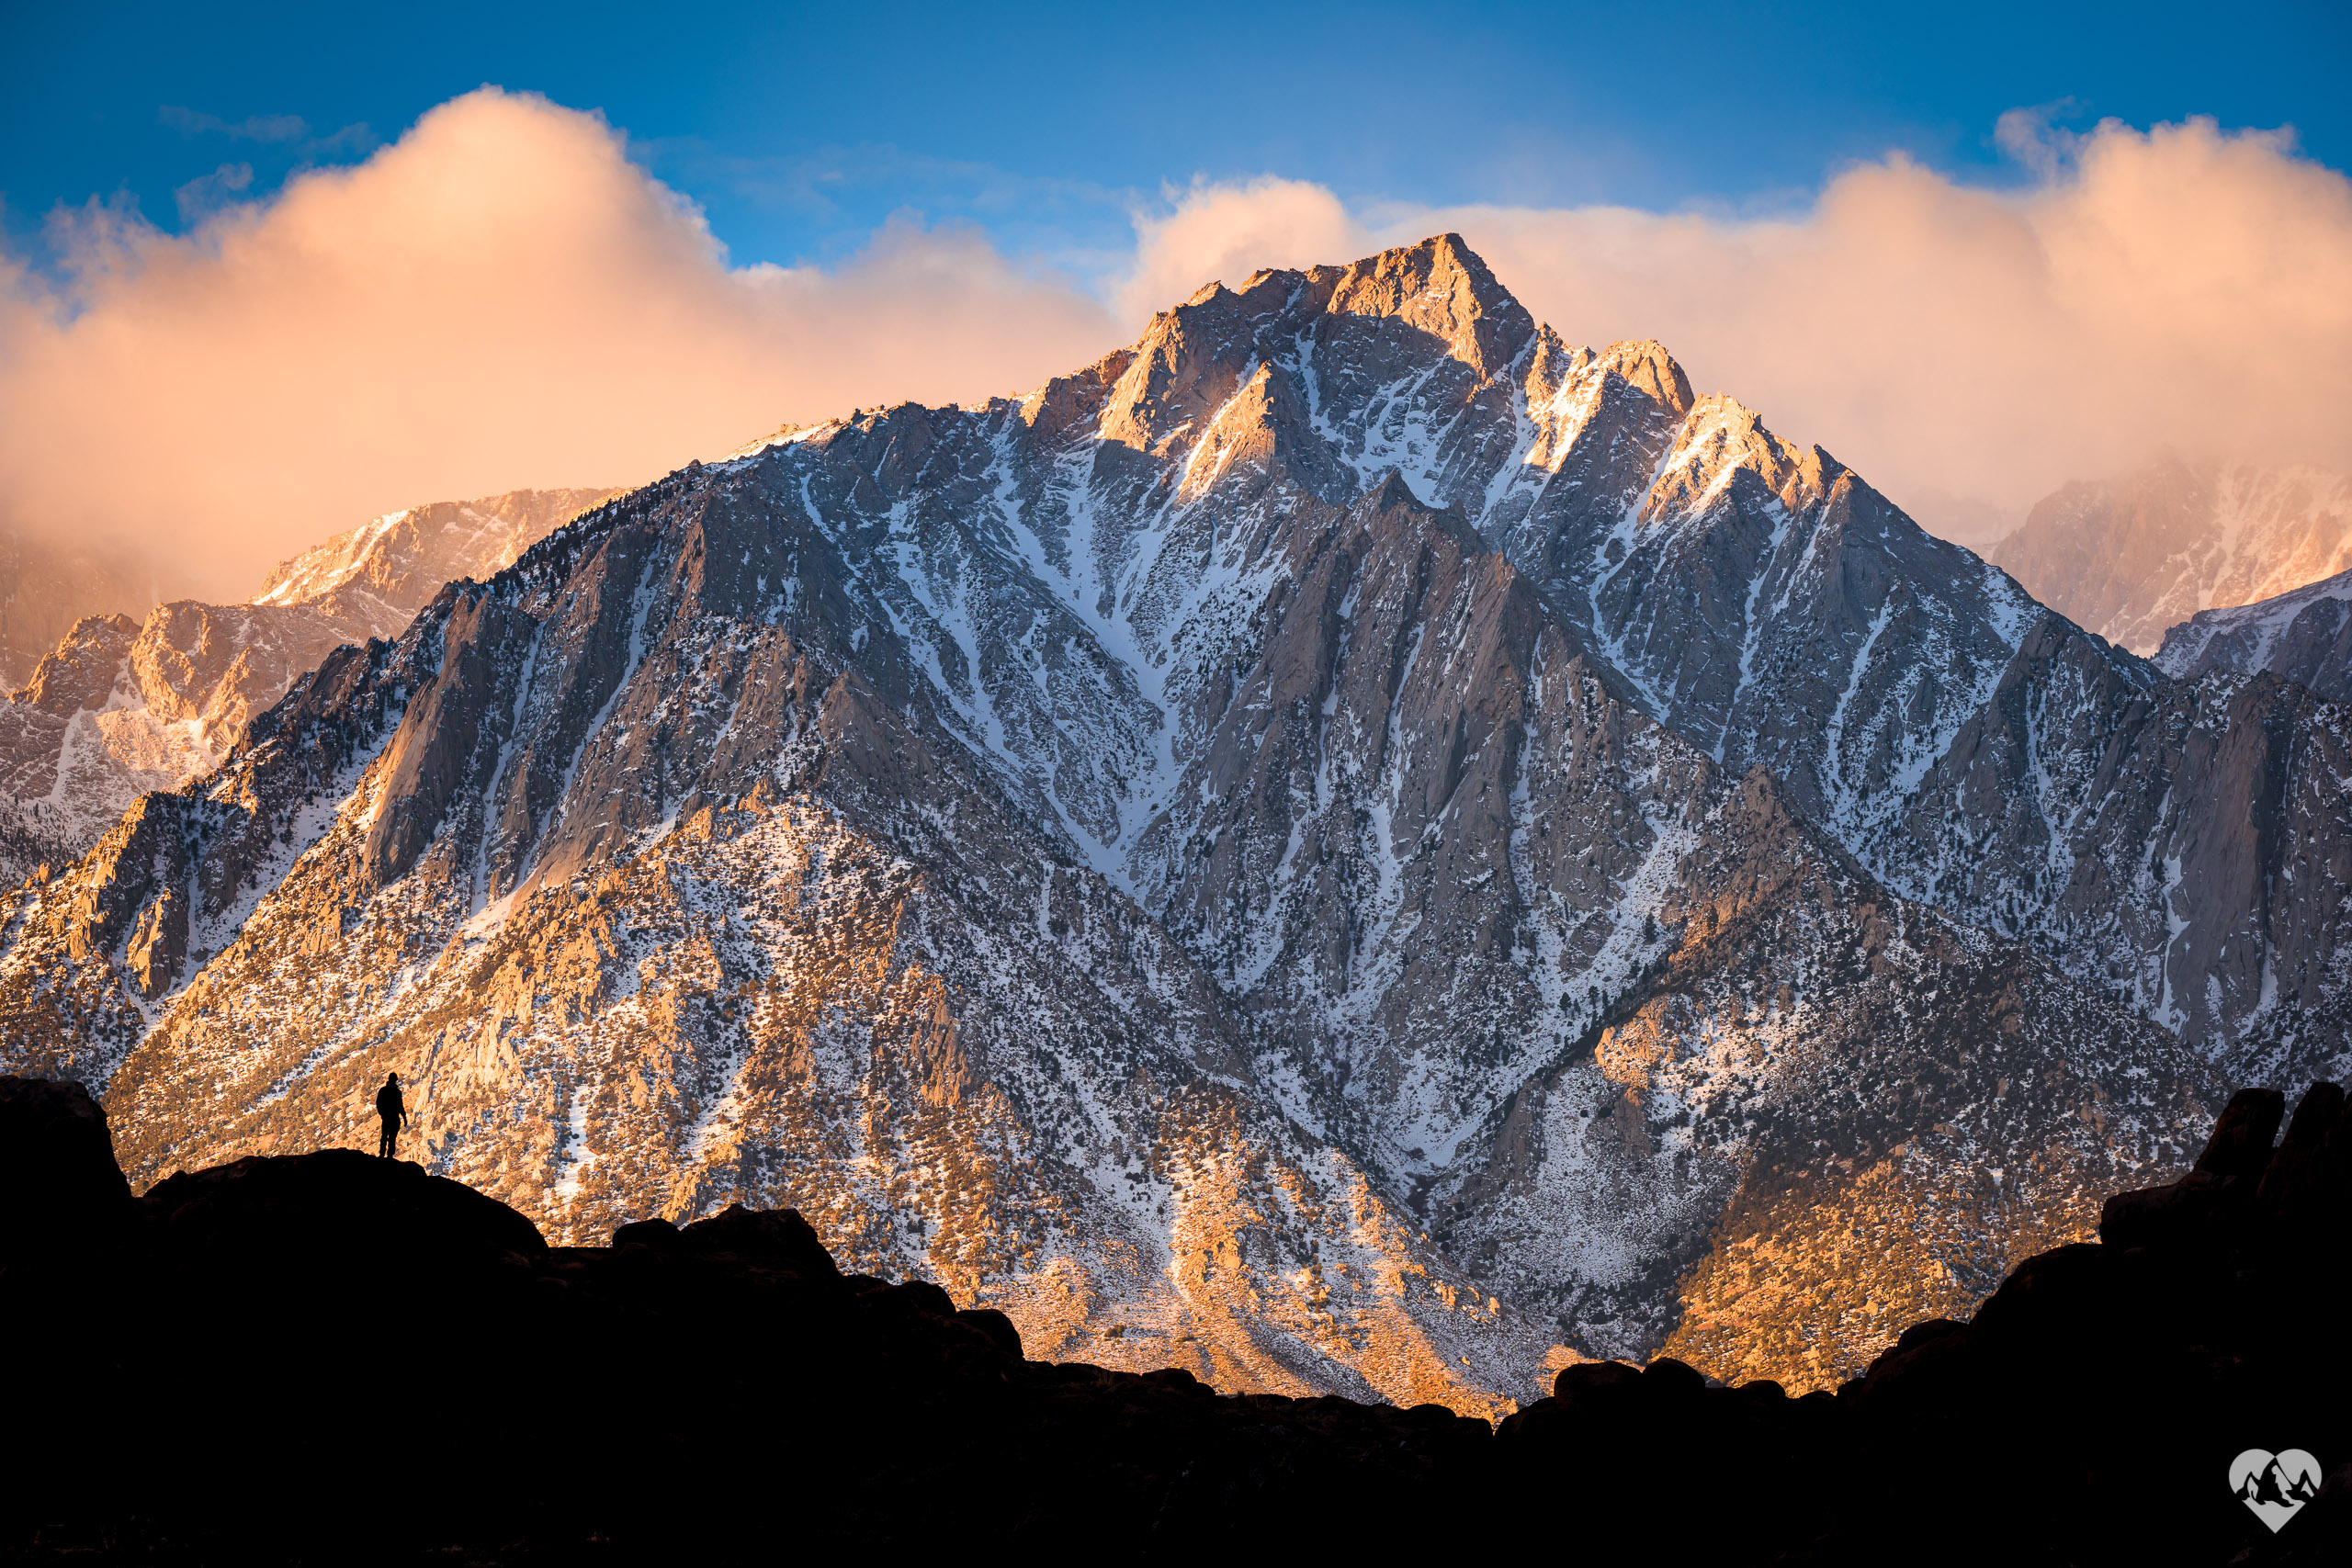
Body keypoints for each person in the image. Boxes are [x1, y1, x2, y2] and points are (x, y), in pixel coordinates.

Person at [375, 1073, 408, 1159]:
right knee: (392, 1137)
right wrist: (404, 1117)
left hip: (387, 1117)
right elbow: (400, 1106)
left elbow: (378, 1104)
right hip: (394, 1118)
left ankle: (382, 1154)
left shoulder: (383, 1090)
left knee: (385, 1136)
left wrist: (382, 1114)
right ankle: (389, 1155)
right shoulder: (397, 1092)